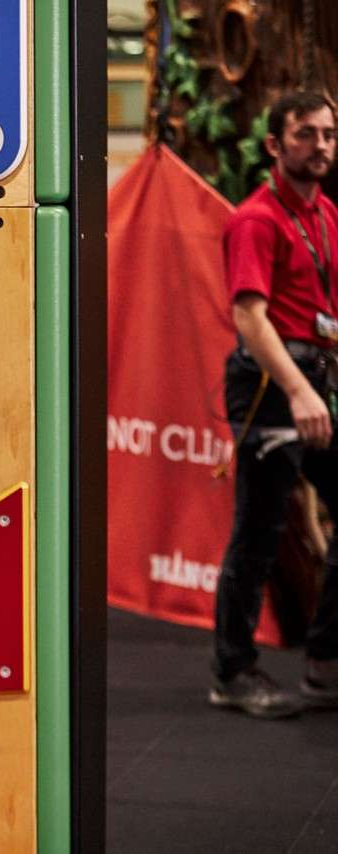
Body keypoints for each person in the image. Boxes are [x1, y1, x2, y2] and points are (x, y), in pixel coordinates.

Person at [211, 91, 338, 719]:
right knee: (258, 536)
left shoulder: (326, 216)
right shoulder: (257, 220)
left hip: (319, 378)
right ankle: (232, 672)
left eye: (328, 134)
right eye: (305, 134)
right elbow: (249, 318)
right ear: (274, 145)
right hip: (272, 385)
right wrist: (298, 389)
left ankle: (324, 661)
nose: (319, 145)